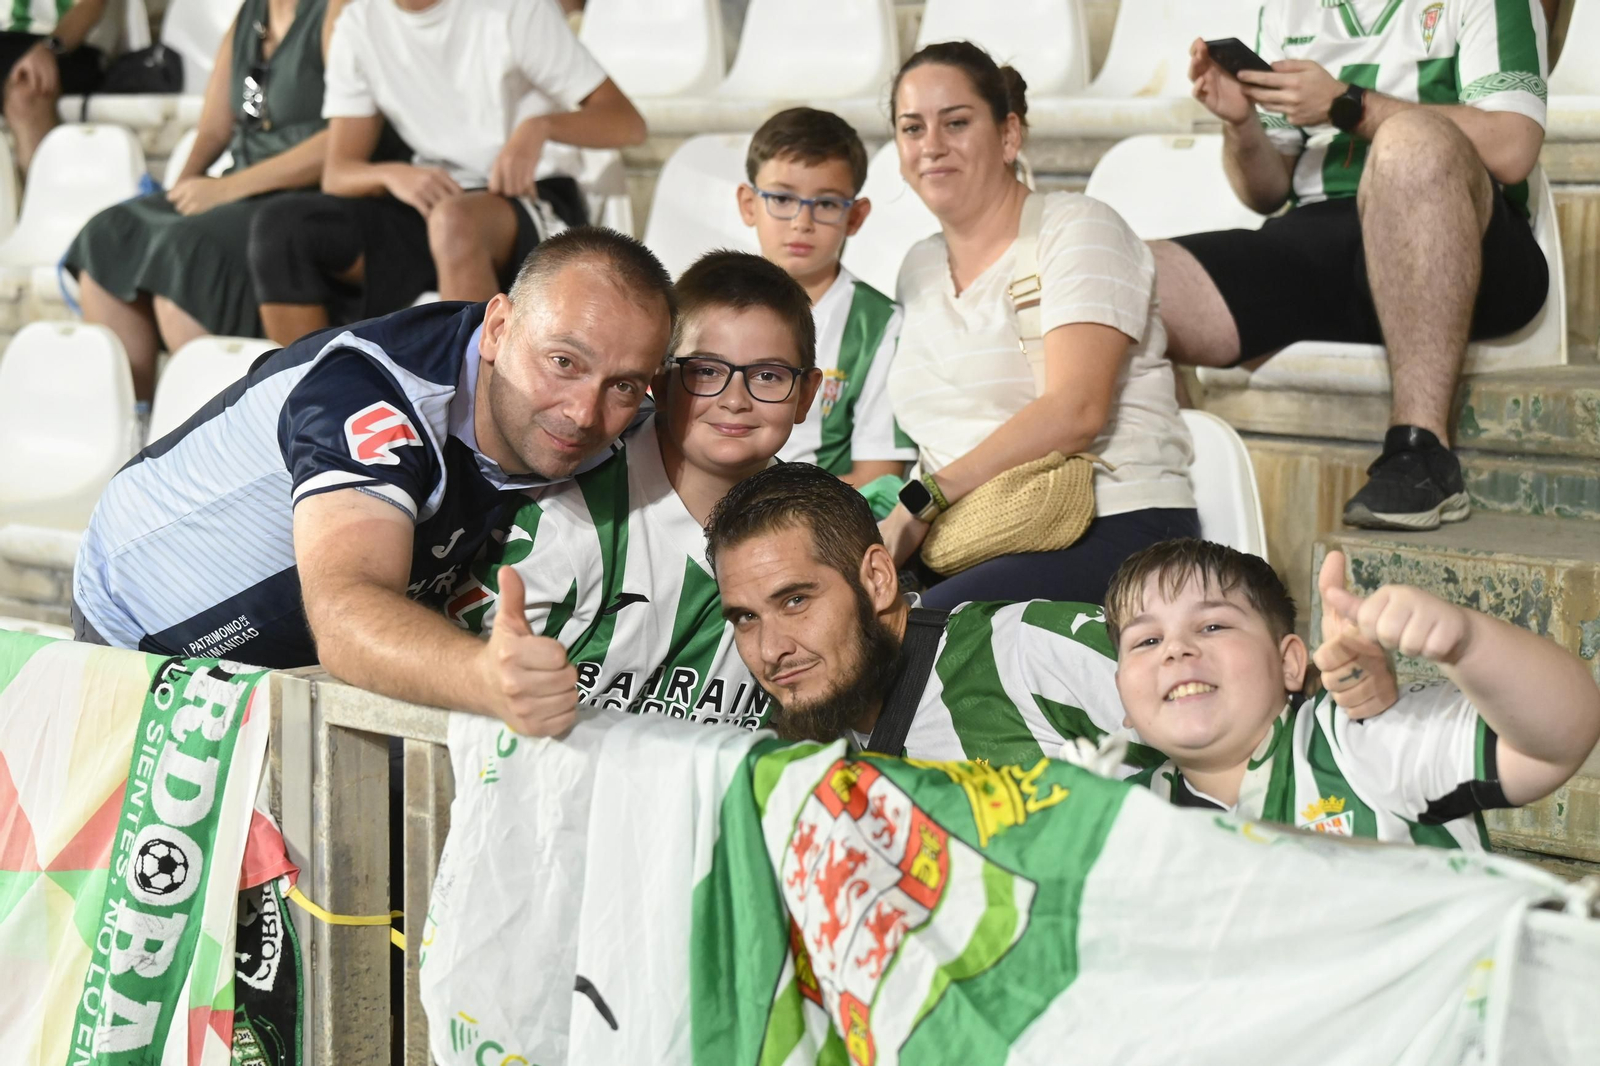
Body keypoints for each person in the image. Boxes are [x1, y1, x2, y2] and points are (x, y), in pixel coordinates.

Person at [71, 228, 675, 733]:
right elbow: (345, 613)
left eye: (622, 384)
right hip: (147, 626)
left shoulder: (604, 415)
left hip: (297, 640)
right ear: (497, 329)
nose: (583, 413)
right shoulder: (374, 393)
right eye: (563, 362)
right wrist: (486, 676)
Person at [705, 463, 1395, 767]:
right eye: (744, 618)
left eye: (795, 600)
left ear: (878, 577)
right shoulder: (792, 746)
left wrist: (1347, 699)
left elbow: (1265, 730)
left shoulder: (1021, 652)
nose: (771, 648)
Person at [1154, 1, 1550, 531]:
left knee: (1410, 143)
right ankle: (1164, 518)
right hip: (1322, 233)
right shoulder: (1288, 11)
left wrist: (1348, 103)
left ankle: (1421, 454)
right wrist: (1242, 124)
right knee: (1130, 274)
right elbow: (1267, 191)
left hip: (1463, 240)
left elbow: (1512, 145)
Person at [880, 42, 1198, 610]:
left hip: (1108, 522)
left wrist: (920, 502)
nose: (931, 146)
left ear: (1008, 135)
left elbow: (1076, 410)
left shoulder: (1078, 227)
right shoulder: (917, 265)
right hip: (968, 539)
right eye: (912, 127)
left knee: (912, 637)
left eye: (956, 122)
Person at [451, 250, 820, 732]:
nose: (735, 399)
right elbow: (458, 714)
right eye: (706, 371)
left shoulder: (816, 531)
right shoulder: (565, 515)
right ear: (660, 383)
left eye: (768, 376)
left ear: (806, 394)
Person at [1105, 539, 1600, 849]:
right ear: (1123, 696)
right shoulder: (1113, 822)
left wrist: (1467, 641)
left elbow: (1556, 742)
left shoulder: (1359, 741)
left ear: (1289, 663)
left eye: (1212, 625)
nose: (1176, 650)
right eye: (1146, 641)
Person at [248, 0, 646, 345]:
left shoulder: (515, 9)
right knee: (281, 229)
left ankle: (468, 418)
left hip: (531, 196)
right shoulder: (358, 24)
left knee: (454, 222)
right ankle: (309, 401)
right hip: (440, 202)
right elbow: (338, 173)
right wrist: (392, 174)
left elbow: (628, 123)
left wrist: (539, 128)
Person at [67, 0, 333, 404]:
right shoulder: (251, 13)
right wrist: (183, 184)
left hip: (303, 196)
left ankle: (221, 427)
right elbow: (213, 128)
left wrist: (228, 189)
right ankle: (138, 425)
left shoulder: (339, 10)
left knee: (186, 252)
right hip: (241, 186)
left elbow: (344, 139)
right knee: (110, 235)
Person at [736, 107, 915, 487]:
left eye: (827, 204)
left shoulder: (879, 326)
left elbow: (879, 476)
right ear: (749, 205)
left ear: (855, 217)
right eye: (782, 199)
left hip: (812, 522)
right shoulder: (708, 304)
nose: (802, 221)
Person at [0, 0, 104, 175]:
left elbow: (92, 4)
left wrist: (51, 46)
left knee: (31, 85)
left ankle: (40, 195)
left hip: (61, 42)